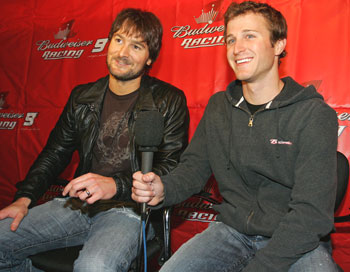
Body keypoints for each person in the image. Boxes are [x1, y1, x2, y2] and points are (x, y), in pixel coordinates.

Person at [132, 1, 340, 271]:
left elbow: (311, 215)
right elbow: (194, 169)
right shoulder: (219, 107)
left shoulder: (313, 114)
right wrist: (163, 189)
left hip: (296, 240)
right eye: (231, 39)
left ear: (278, 45)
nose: (237, 48)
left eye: (250, 36)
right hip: (232, 232)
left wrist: (261, 266)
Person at [0, 8, 189, 272]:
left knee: (94, 267)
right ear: (108, 42)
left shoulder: (168, 100)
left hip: (131, 212)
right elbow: (55, 154)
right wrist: (24, 198)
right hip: (77, 206)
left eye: (136, 46)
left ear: (149, 58)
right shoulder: (82, 97)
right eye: (119, 40)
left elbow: (171, 168)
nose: (123, 53)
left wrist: (116, 185)